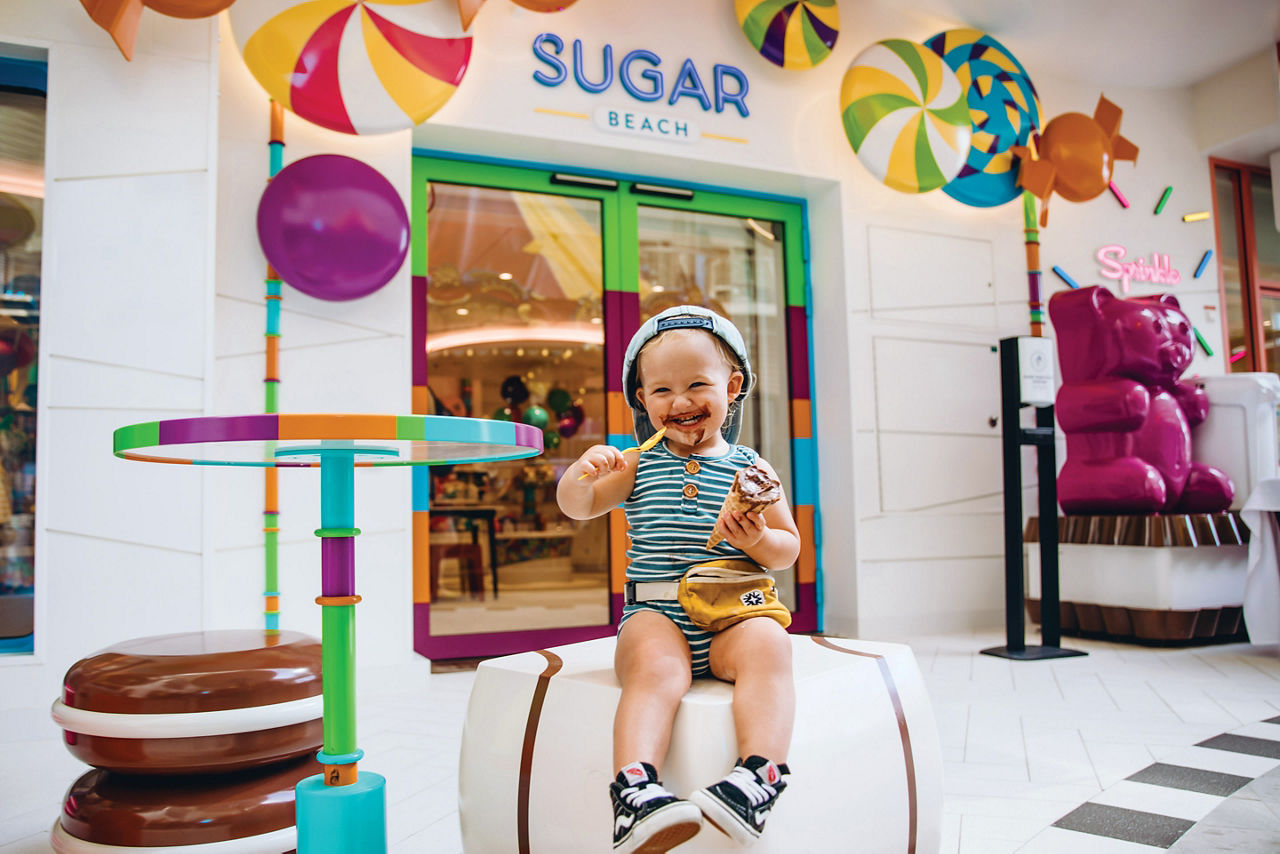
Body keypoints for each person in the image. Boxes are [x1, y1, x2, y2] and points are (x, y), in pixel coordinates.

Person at [556, 306, 801, 852]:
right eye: (662, 390)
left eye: (697, 384)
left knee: (770, 646)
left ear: (732, 387)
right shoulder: (635, 465)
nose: (681, 401)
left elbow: (788, 548)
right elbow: (579, 507)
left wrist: (756, 540)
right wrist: (580, 475)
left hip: (733, 614)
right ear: (643, 401)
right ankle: (636, 791)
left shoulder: (751, 467)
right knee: (656, 670)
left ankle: (758, 778)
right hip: (656, 613)